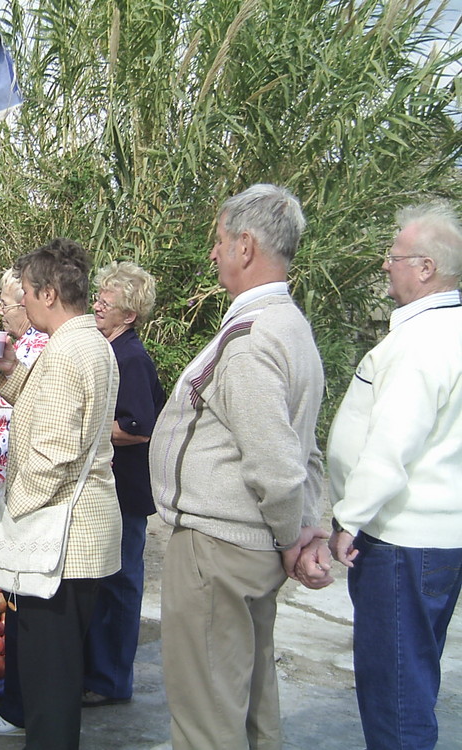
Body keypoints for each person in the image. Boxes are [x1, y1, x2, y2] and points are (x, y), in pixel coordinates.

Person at [148, 184, 327, 749]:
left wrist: (292, 534)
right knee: (250, 705)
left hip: (218, 551)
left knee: (207, 718)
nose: (214, 253)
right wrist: (301, 527)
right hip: (246, 549)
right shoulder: (291, 328)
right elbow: (307, 448)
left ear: (245, 246)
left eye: (220, 241)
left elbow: (277, 465)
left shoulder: (252, 338)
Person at [324, 204, 462, 750]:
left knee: (396, 692)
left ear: (426, 268)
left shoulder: (422, 342)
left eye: (395, 257)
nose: (386, 266)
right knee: (415, 677)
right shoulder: (449, 331)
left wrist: (348, 519)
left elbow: (389, 447)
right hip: (438, 539)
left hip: (402, 541)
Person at [0, 238, 121, 750]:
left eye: (24, 295)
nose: (20, 304)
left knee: (49, 689)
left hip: (63, 544)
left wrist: (11, 510)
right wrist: (12, 376)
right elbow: (67, 413)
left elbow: (55, 449)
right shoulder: (90, 342)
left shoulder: (65, 351)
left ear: (45, 293)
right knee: (59, 679)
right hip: (84, 535)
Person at [81, 261, 165, 707]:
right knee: (108, 579)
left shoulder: (130, 357)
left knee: (119, 582)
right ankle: (101, 673)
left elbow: (138, 426)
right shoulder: (109, 350)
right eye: (98, 298)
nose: (97, 305)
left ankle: (111, 680)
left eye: (105, 302)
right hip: (114, 488)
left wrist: (87, 427)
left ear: (128, 315)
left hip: (126, 491)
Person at [0, 269, 48, 738]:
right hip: (10, 494)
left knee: (27, 608)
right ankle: (22, 701)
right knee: (18, 603)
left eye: (6, 304)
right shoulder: (21, 352)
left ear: (28, 305)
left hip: (28, 499)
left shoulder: (42, 353)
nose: (0, 312)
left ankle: (22, 708)